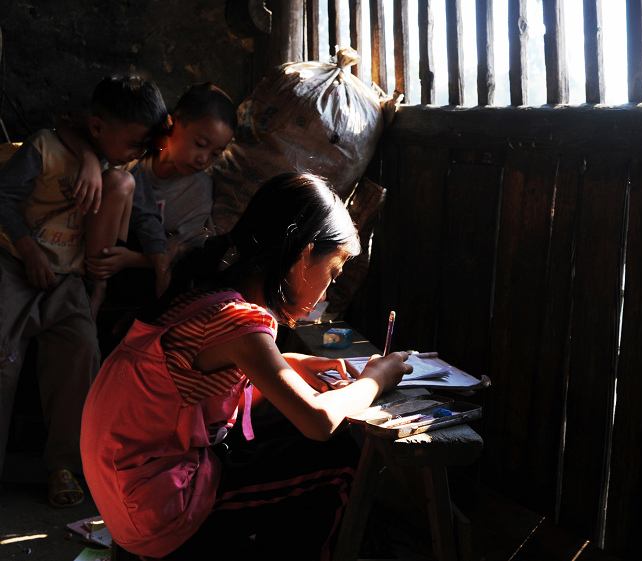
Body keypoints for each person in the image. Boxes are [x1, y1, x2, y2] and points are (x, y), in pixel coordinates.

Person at [81, 172, 412, 559]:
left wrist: (293, 365)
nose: (328, 289)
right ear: (304, 254)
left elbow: (214, 382)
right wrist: (376, 378)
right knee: (337, 463)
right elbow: (317, 422)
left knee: (283, 437)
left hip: (131, 493)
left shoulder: (205, 296)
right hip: (161, 512)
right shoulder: (239, 323)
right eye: (333, 272)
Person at [0, 73, 168, 507]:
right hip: (15, 265)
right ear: (96, 128)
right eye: (134, 144)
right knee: (2, 357)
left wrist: (158, 260)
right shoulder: (45, 149)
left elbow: (146, 213)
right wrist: (27, 250)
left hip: (68, 279)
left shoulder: (123, 170)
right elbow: (2, 199)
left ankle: (64, 465)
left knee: (81, 355)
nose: (138, 154)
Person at [84, 82, 237, 355]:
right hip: (94, 260)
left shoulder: (198, 191)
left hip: (142, 275)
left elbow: (183, 254)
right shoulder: (131, 155)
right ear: (172, 124)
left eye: (215, 153)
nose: (204, 159)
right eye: (200, 144)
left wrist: (131, 259)